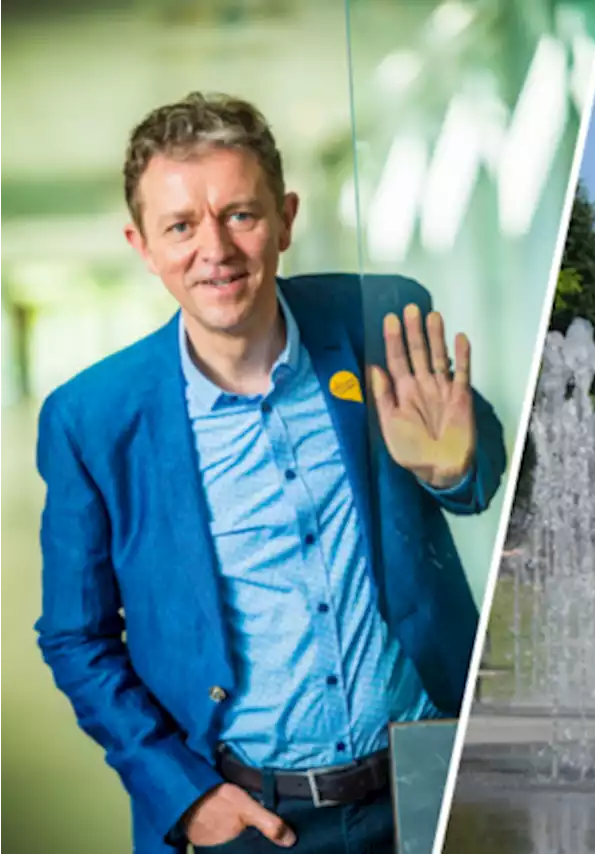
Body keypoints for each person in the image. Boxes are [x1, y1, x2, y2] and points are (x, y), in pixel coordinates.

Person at [34, 93, 507, 854]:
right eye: (181, 226)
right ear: (143, 245)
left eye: (240, 214)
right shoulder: (92, 419)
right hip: (248, 823)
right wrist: (184, 797)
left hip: (426, 783)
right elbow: (74, 639)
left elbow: (483, 470)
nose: (214, 248)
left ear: (285, 218)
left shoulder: (375, 319)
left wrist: (456, 470)